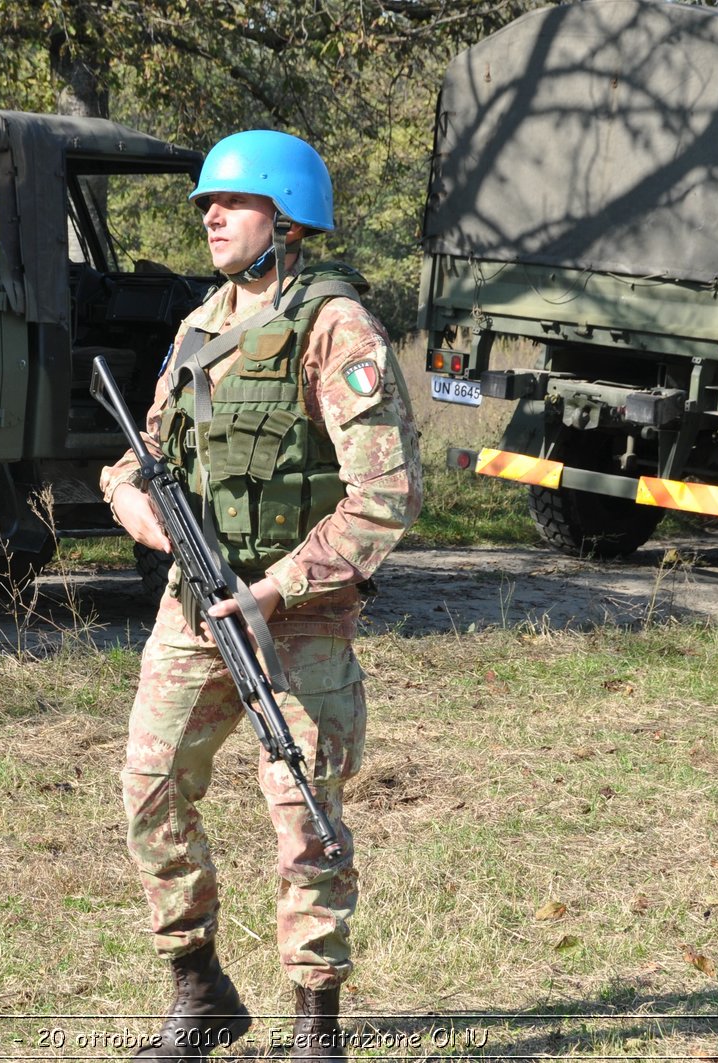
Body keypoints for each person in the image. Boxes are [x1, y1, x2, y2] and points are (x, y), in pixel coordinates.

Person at [100, 129, 423, 1061]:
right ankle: (198, 990)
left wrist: (276, 591)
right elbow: (136, 460)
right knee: (149, 787)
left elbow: (385, 497)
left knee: (303, 818)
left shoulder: (336, 327)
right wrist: (140, 510)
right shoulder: (199, 325)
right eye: (207, 201)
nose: (210, 215)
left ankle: (316, 1027)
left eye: (231, 203)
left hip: (297, 616)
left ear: (283, 221)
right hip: (195, 602)